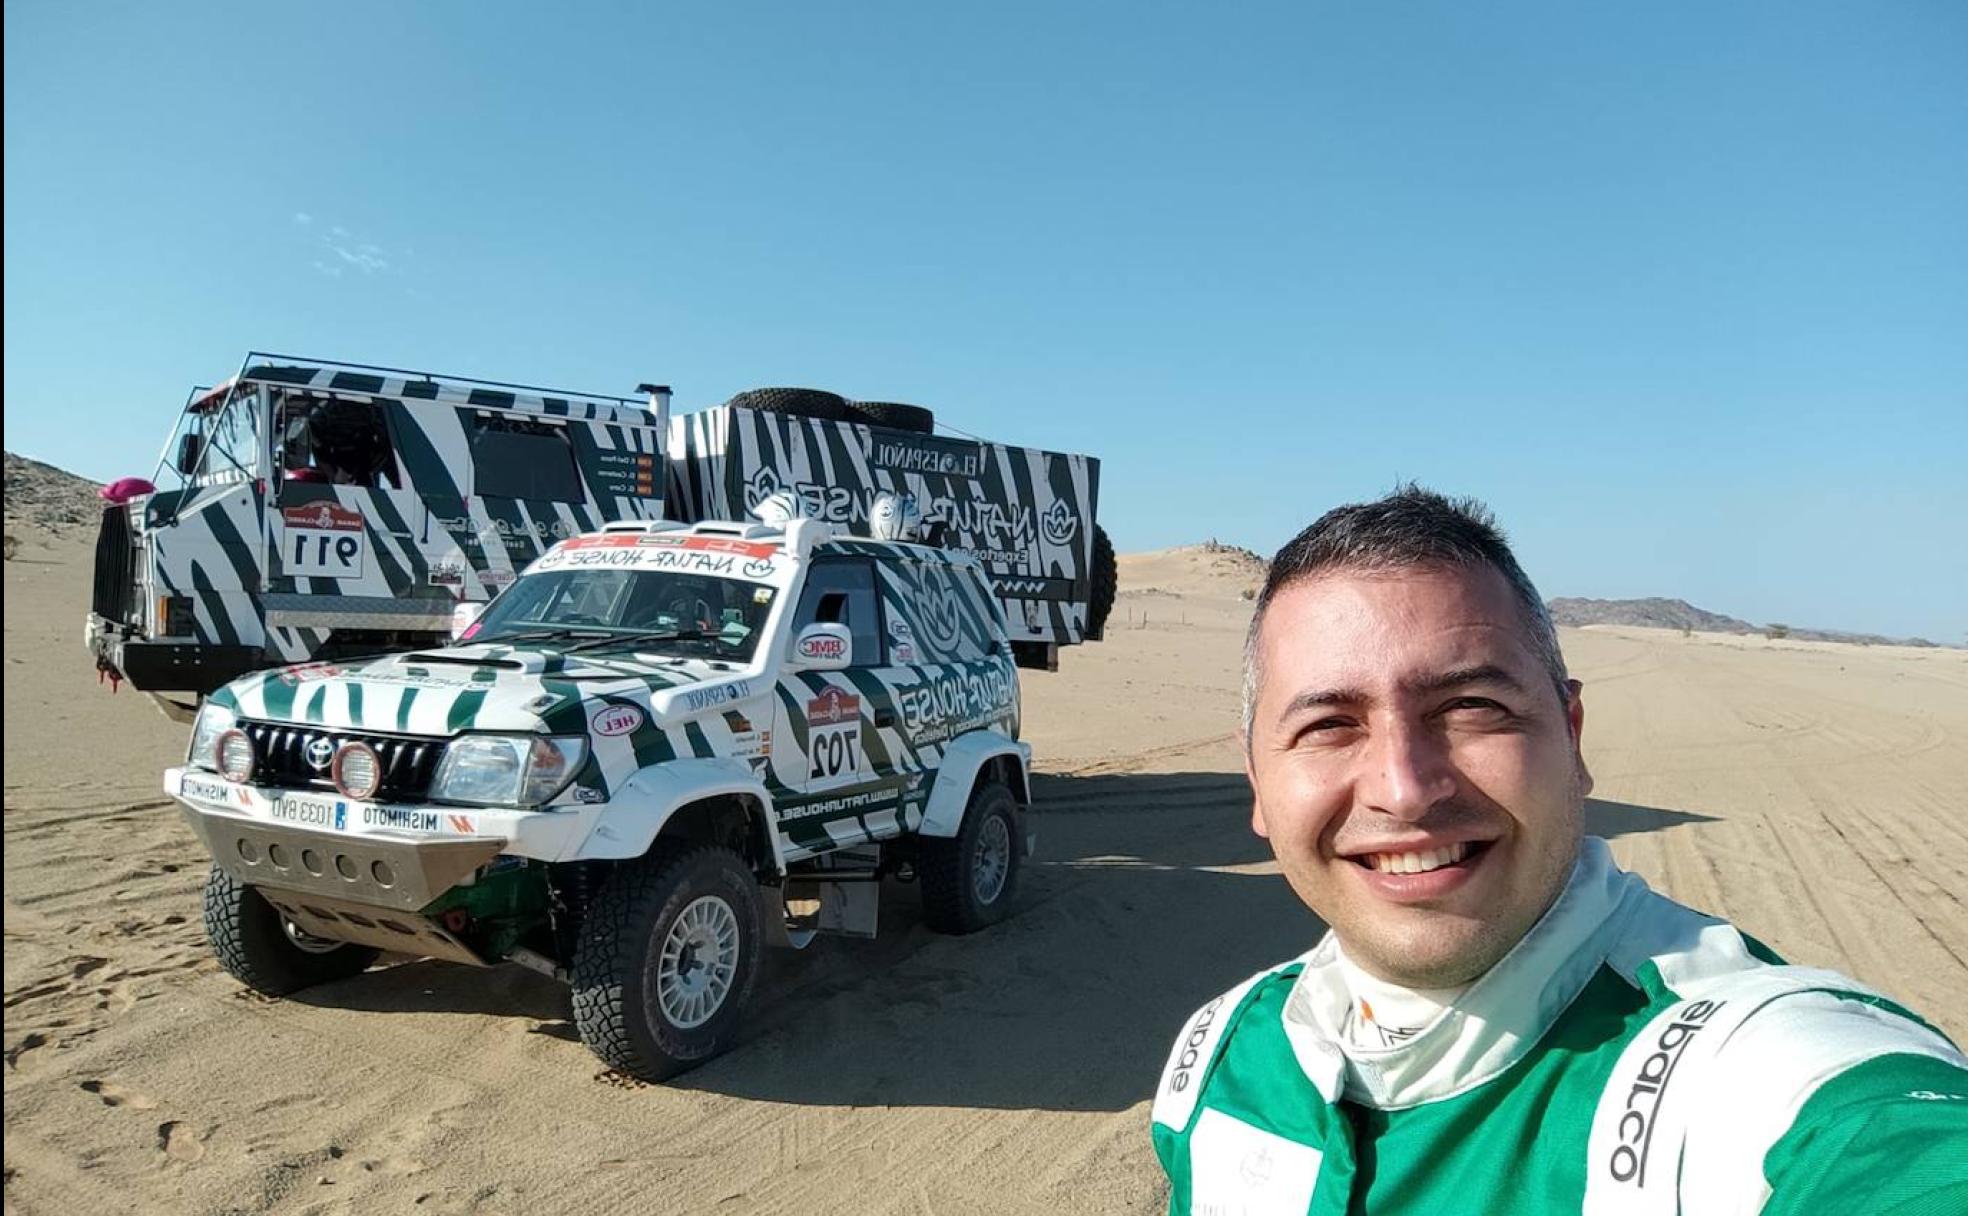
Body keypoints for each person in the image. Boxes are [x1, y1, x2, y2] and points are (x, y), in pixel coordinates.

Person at [1151, 486, 1968, 1214]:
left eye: (1472, 707)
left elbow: (1888, 1152)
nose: (1403, 788)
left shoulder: (1733, 1073)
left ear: (1571, 739)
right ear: (1258, 778)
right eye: (1329, 726)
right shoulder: (1215, 1058)